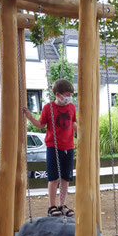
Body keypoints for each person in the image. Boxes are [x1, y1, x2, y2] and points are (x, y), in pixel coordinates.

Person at [23, 79, 77, 217]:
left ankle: (62, 204)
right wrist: (30, 117)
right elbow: (41, 125)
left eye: (70, 94)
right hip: (54, 146)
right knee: (54, 178)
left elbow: (74, 123)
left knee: (66, 178)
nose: (69, 97)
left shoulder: (71, 107)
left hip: (69, 146)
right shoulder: (49, 108)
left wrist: (81, 133)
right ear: (58, 95)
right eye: (66, 94)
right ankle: (52, 206)